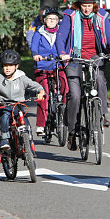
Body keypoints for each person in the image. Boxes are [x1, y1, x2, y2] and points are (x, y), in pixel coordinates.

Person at [56, 0, 110, 151]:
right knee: (75, 95)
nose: (86, 8)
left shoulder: (101, 17)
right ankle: (71, 131)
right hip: (74, 57)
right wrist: (63, 53)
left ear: (94, 5)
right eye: (84, 5)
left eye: (89, 5)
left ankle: (102, 115)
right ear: (78, 4)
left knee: (99, 80)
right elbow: (60, 37)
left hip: (94, 56)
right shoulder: (70, 16)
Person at [0, 50, 45, 150]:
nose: (7, 68)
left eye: (10, 65)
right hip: (5, 106)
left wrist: (41, 91)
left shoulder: (22, 78)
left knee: (26, 124)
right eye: (5, 65)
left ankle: (29, 143)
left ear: (16, 66)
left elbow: (34, 85)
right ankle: (4, 139)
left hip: (19, 105)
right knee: (5, 117)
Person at [31, 7, 69, 136]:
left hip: (58, 65)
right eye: (49, 18)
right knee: (43, 95)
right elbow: (34, 46)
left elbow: (67, 45)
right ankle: (41, 125)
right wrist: (36, 55)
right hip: (43, 65)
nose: (52, 21)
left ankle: (64, 115)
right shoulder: (39, 32)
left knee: (66, 88)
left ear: (58, 20)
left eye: (55, 19)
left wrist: (67, 55)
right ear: (44, 20)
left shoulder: (61, 32)